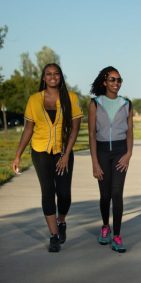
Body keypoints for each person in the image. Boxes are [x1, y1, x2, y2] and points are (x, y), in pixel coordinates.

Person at [12, 63, 83, 252]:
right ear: (44, 78)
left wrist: (67, 154)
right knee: (48, 191)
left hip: (63, 152)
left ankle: (61, 221)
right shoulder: (34, 100)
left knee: (65, 194)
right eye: (48, 74)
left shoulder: (71, 98)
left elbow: (75, 129)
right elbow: (28, 129)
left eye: (56, 74)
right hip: (40, 151)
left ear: (61, 76)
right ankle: (53, 236)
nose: (52, 77)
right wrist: (18, 154)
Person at [88, 66, 133, 253]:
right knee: (105, 195)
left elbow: (130, 131)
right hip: (103, 152)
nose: (116, 83)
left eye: (119, 80)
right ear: (104, 82)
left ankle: (117, 235)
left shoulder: (127, 103)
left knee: (117, 194)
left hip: (120, 151)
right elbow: (91, 133)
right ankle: (105, 226)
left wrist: (128, 154)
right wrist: (95, 162)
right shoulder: (95, 103)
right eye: (112, 79)